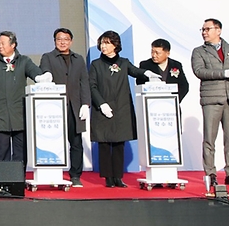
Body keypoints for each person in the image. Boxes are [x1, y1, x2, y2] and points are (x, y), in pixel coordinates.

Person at [191, 18, 229, 187]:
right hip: (211, 98)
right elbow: (200, 71)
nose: (204, 32)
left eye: (207, 29)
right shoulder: (199, 51)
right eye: (202, 29)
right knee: (210, 138)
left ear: (219, 30)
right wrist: (225, 73)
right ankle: (211, 173)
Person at [89, 30, 150, 188]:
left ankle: (118, 176)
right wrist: (101, 104)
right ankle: (108, 177)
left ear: (115, 45)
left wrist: (148, 73)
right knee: (104, 143)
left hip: (121, 107)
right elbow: (92, 86)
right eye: (102, 43)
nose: (104, 46)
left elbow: (135, 72)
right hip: (102, 107)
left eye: (107, 43)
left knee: (118, 144)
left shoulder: (123, 62)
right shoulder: (96, 64)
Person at [0, 31, 47, 164]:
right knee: (2, 152)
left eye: (3, 43)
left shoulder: (24, 61)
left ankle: (18, 180)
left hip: (20, 115)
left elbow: (36, 73)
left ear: (13, 45)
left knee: (20, 152)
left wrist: (41, 77)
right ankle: (2, 180)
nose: (0, 46)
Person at [38, 28, 89, 187]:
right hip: (54, 108)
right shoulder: (48, 57)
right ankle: (54, 172)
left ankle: (75, 176)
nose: (62, 42)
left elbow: (84, 83)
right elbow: (44, 76)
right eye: (59, 39)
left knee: (76, 142)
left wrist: (86, 104)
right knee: (53, 142)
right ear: (55, 41)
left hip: (74, 107)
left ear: (71, 41)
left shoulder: (78, 59)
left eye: (66, 39)